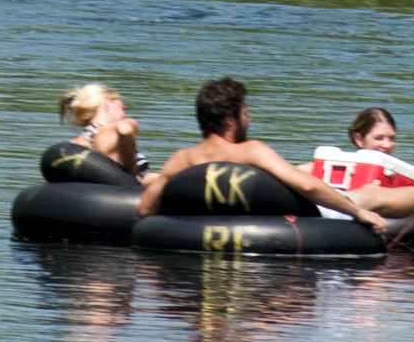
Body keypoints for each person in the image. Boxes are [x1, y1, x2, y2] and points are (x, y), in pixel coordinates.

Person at [137, 78, 390, 235]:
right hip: (299, 226)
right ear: (230, 121)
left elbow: (146, 207)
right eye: (245, 114)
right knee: (369, 195)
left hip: (201, 230)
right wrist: (358, 212)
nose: (249, 119)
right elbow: (307, 185)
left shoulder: (182, 159)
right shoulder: (249, 150)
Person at [61, 82, 149, 178]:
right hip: (122, 186)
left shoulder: (79, 140)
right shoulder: (111, 130)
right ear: (107, 102)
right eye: (123, 108)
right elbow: (124, 129)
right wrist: (131, 173)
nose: (125, 113)